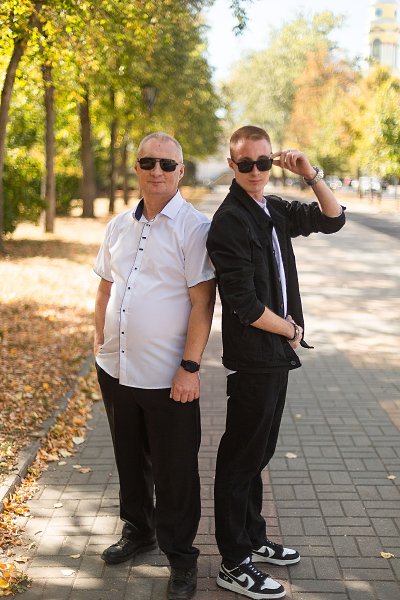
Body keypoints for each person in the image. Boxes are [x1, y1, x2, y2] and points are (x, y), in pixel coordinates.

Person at [206, 125, 345, 599]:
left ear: (272, 161)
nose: (255, 171)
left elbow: (332, 219)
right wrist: (290, 330)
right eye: (245, 164)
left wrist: (310, 174)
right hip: (255, 357)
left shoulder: (272, 208)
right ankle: (233, 562)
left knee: (259, 453)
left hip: (275, 355)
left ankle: (253, 539)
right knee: (240, 459)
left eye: (263, 162)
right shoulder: (230, 221)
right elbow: (244, 304)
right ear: (232, 165)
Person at [93, 132, 215, 600]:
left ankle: (181, 559)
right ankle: (138, 530)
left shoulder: (195, 228)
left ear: (180, 171)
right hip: (116, 368)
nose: (157, 171)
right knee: (129, 459)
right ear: (137, 168)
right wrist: (99, 342)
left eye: (167, 163)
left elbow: (202, 304)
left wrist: (190, 367)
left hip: (169, 377)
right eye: (148, 162)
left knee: (175, 471)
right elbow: (105, 287)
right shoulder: (118, 226)